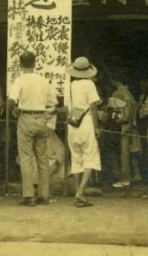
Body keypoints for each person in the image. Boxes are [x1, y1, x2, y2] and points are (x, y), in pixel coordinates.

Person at [7, 50, 56, 206]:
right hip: (41, 118)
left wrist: (14, 110)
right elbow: (53, 103)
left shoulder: (20, 80)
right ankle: (44, 195)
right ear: (35, 63)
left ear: (20, 64)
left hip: (26, 118)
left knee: (26, 158)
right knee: (42, 158)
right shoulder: (43, 81)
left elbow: (10, 101)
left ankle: (29, 196)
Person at [67, 57, 101, 208]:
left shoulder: (70, 85)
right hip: (86, 121)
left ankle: (77, 193)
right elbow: (93, 107)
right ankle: (80, 192)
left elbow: (68, 107)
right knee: (90, 157)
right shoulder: (90, 84)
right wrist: (97, 127)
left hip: (73, 123)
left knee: (76, 158)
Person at [106, 72, 141, 188]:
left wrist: (113, 117)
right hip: (129, 125)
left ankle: (124, 178)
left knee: (122, 152)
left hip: (120, 125)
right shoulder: (128, 93)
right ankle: (127, 177)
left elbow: (112, 111)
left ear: (115, 80)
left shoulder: (118, 93)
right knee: (127, 151)